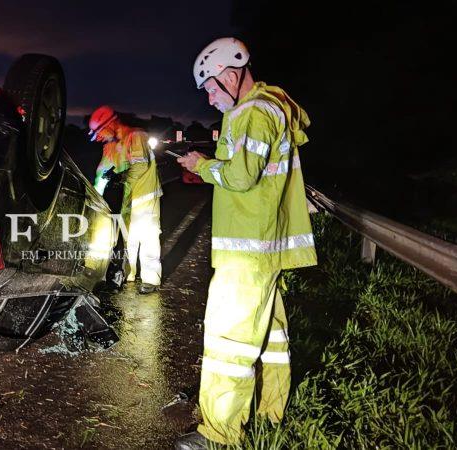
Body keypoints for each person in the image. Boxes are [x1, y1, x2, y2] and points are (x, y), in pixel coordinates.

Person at [174, 37, 318, 449]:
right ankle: (271, 414)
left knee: (229, 341)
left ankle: (219, 434)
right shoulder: (275, 108)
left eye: (212, 88)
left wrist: (201, 166)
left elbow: (240, 176)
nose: (210, 98)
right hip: (266, 247)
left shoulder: (252, 112)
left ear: (232, 75)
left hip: (246, 251)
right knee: (271, 335)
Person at [88, 105, 162, 294]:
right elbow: (101, 174)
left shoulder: (137, 136)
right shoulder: (109, 147)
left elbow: (140, 167)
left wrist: (120, 178)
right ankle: (128, 274)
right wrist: (94, 197)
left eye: (100, 133)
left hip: (145, 195)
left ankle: (151, 279)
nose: (100, 138)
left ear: (110, 124)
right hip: (127, 197)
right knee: (129, 238)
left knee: (147, 237)